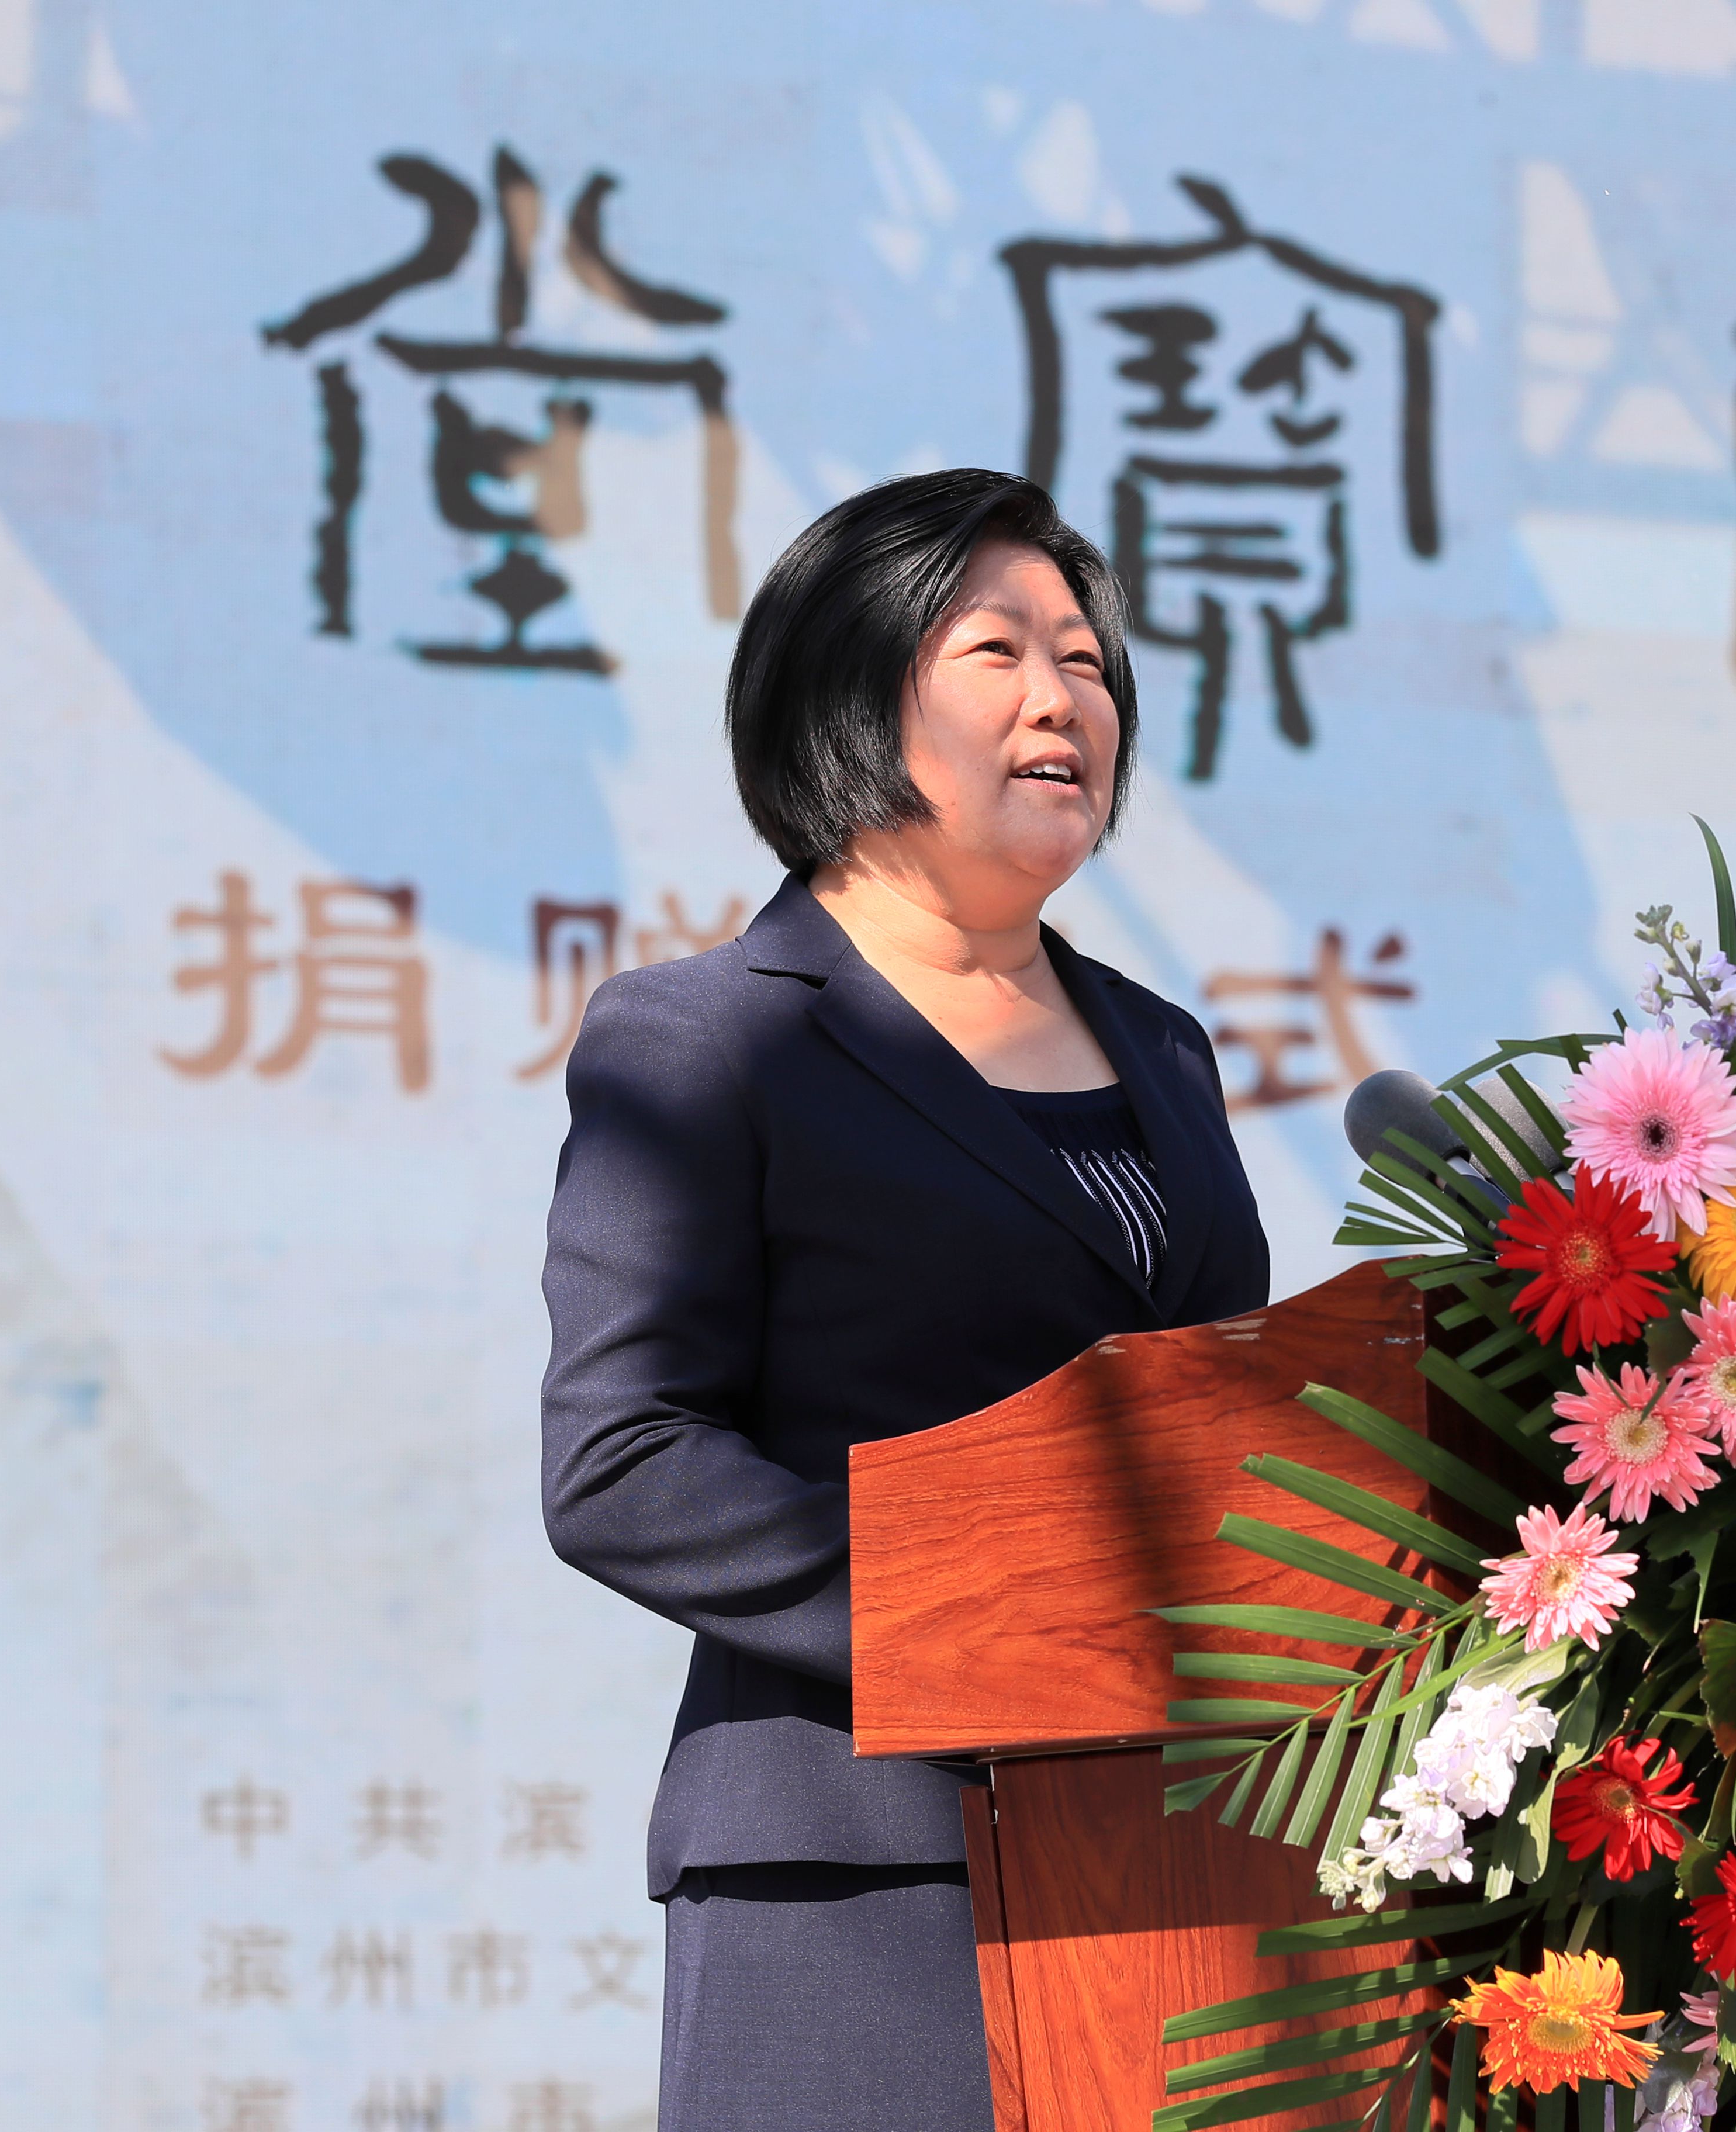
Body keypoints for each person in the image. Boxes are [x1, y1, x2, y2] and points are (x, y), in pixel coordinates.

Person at [536, 469, 1271, 2127]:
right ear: (852, 695)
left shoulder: (1163, 1051)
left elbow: (1217, 1431)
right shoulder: (710, 1039)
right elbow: (624, 1462)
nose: (1062, 698)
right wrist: (1000, 1620)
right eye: (997, 650)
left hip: (1180, 1865)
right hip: (862, 1871)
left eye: (1085, 659)